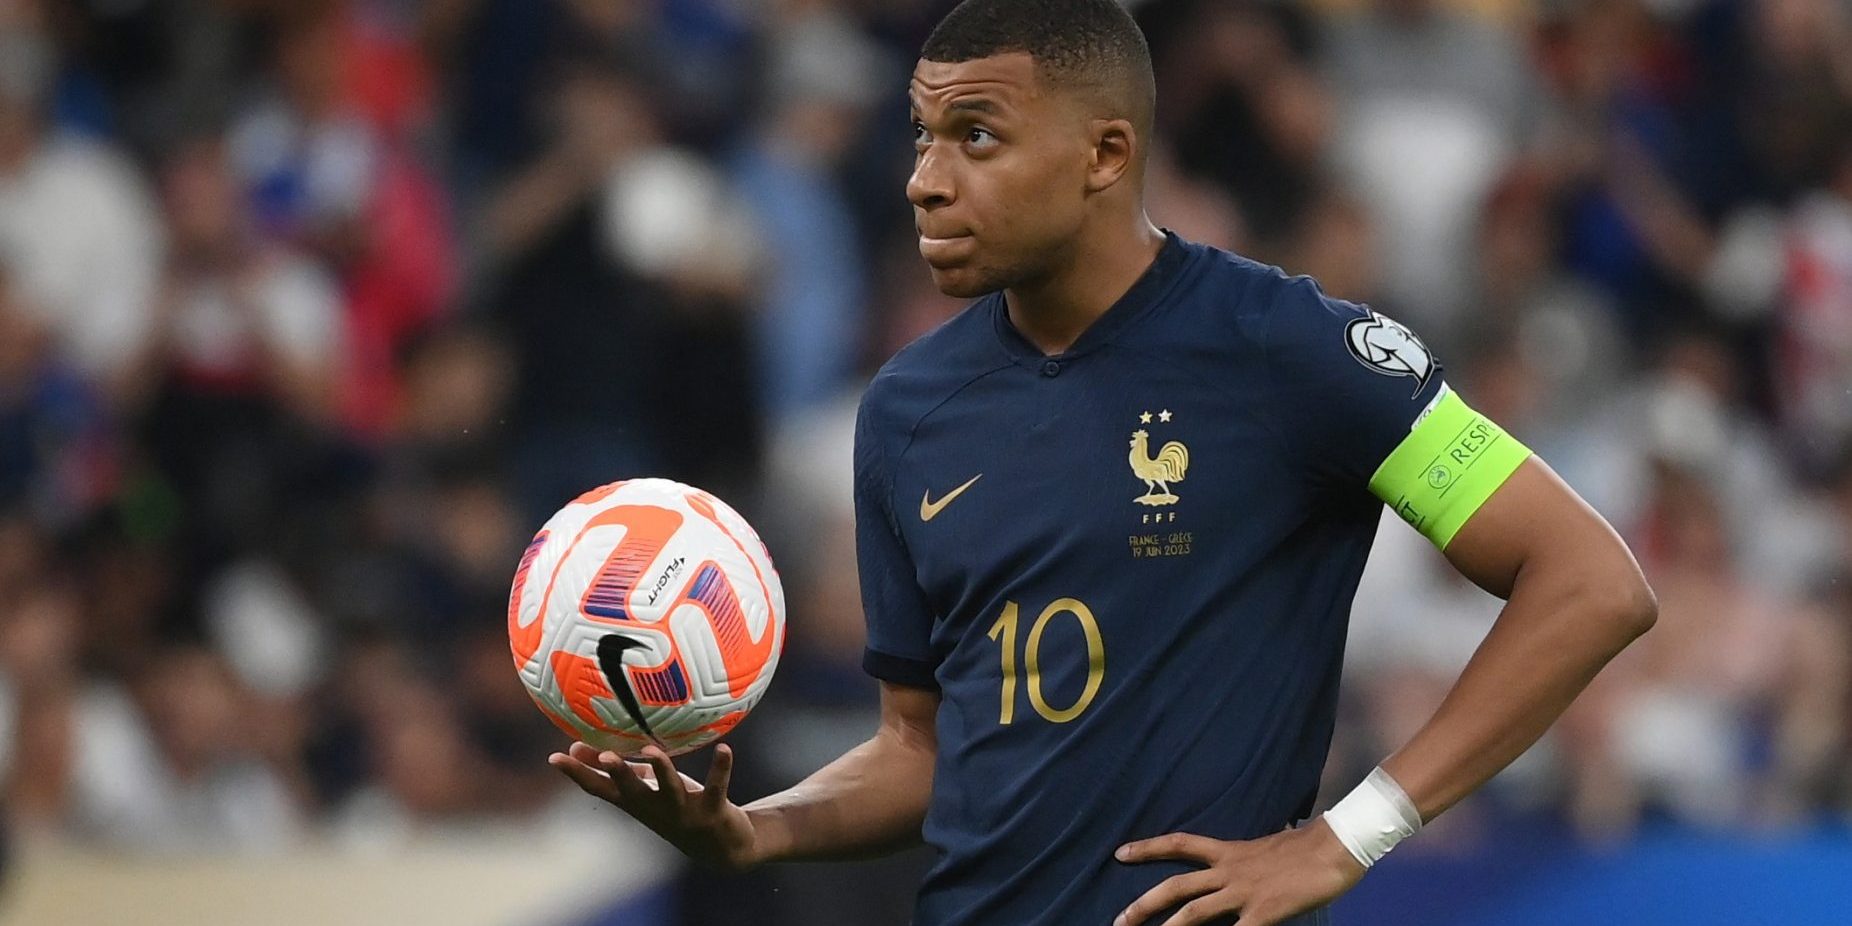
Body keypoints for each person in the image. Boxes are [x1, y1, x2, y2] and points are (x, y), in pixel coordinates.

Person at [548, 2, 1658, 924]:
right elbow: (918, 747)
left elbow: (1589, 581)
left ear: (1105, 152)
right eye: (923, 135)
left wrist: (1344, 837)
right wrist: (760, 828)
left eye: (975, 137)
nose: (925, 180)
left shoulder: (1293, 350)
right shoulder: (908, 407)